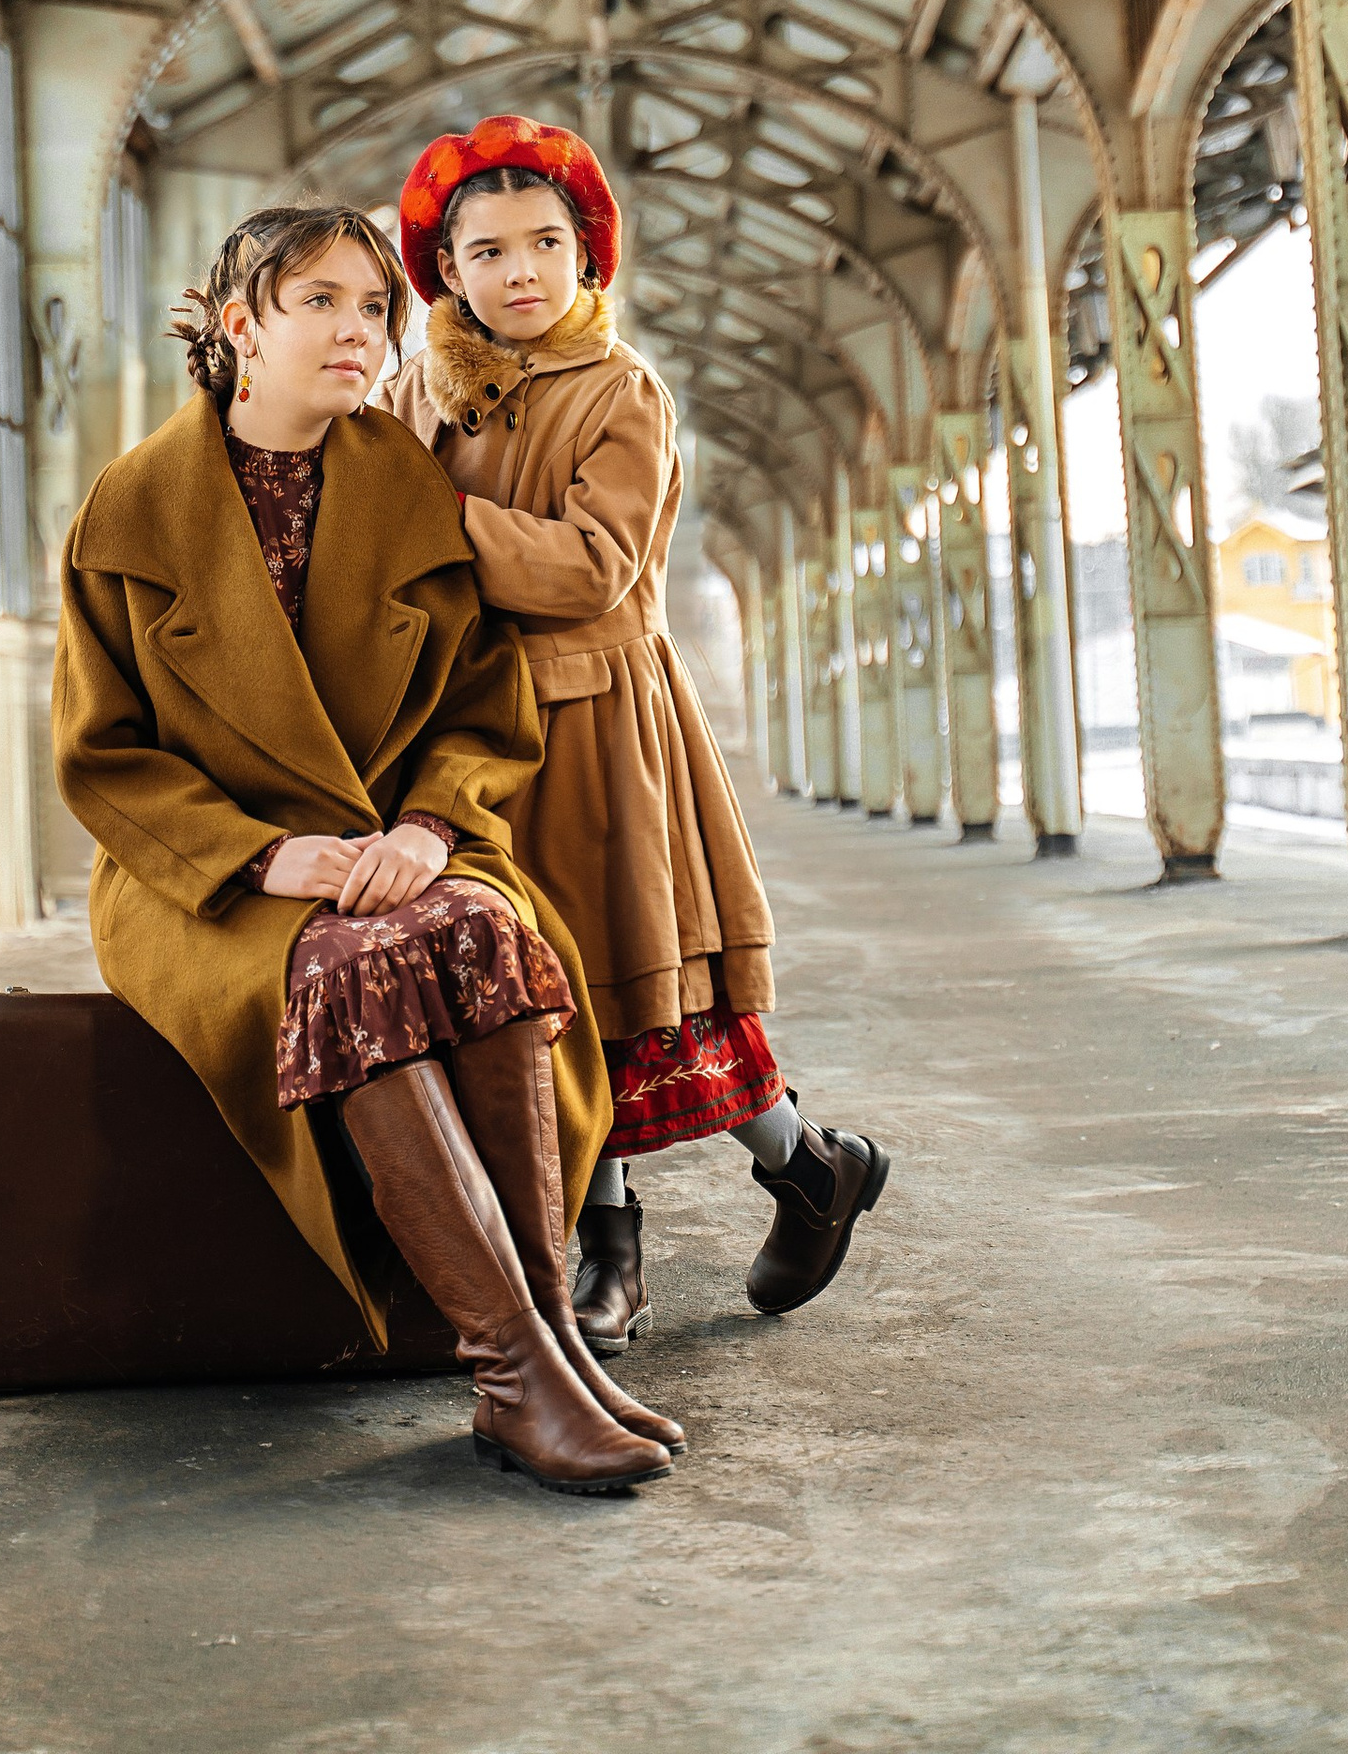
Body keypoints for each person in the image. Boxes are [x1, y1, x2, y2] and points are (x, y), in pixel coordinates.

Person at [51, 200, 684, 1495]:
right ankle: (510, 1369)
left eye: (376, 307)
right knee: (351, 964)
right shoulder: (132, 509)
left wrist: (428, 826)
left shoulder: (406, 485)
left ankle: (552, 1336)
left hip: (390, 840)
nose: (361, 332)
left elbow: (481, 702)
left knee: (483, 928)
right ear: (241, 328)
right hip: (204, 881)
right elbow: (102, 758)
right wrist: (265, 861)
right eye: (321, 304)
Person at [389, 115, 888, 1350]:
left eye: (546, 243)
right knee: (539, 999)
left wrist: (433, 520)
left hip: (595, 723)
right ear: (444, 268)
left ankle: (774, 1177)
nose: (520, 271)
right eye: (489, 248)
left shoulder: (624, 394)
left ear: (588, 257)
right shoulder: (413, 388)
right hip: (462, 727)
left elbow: (592, 570)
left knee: (630, 988)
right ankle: (643, 1232)